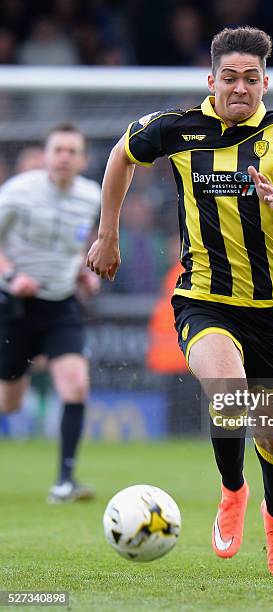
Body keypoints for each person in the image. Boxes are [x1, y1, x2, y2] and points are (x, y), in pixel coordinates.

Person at [86, 26, 273, 576]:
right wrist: (108, 233)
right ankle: (232, 490)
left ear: (265, 82)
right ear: (212, 79)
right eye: (230, 78)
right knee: (228, 394)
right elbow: (121, 156)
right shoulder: (176, 129)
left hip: (266, 310)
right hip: (202, 298)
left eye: (251, 79)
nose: (240, 88)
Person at [0, 123, 101, 502]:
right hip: (15, 305)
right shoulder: (17, 193)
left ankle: (65, 481)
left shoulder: (90, 196)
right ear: (45, 155)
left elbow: (71, 245)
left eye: (72, 151)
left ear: (83, 159)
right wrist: (12, 274)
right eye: (57, 150)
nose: (63, 157)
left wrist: (81, 274)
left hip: (61, 304)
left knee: (75, 384)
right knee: (9, 401)